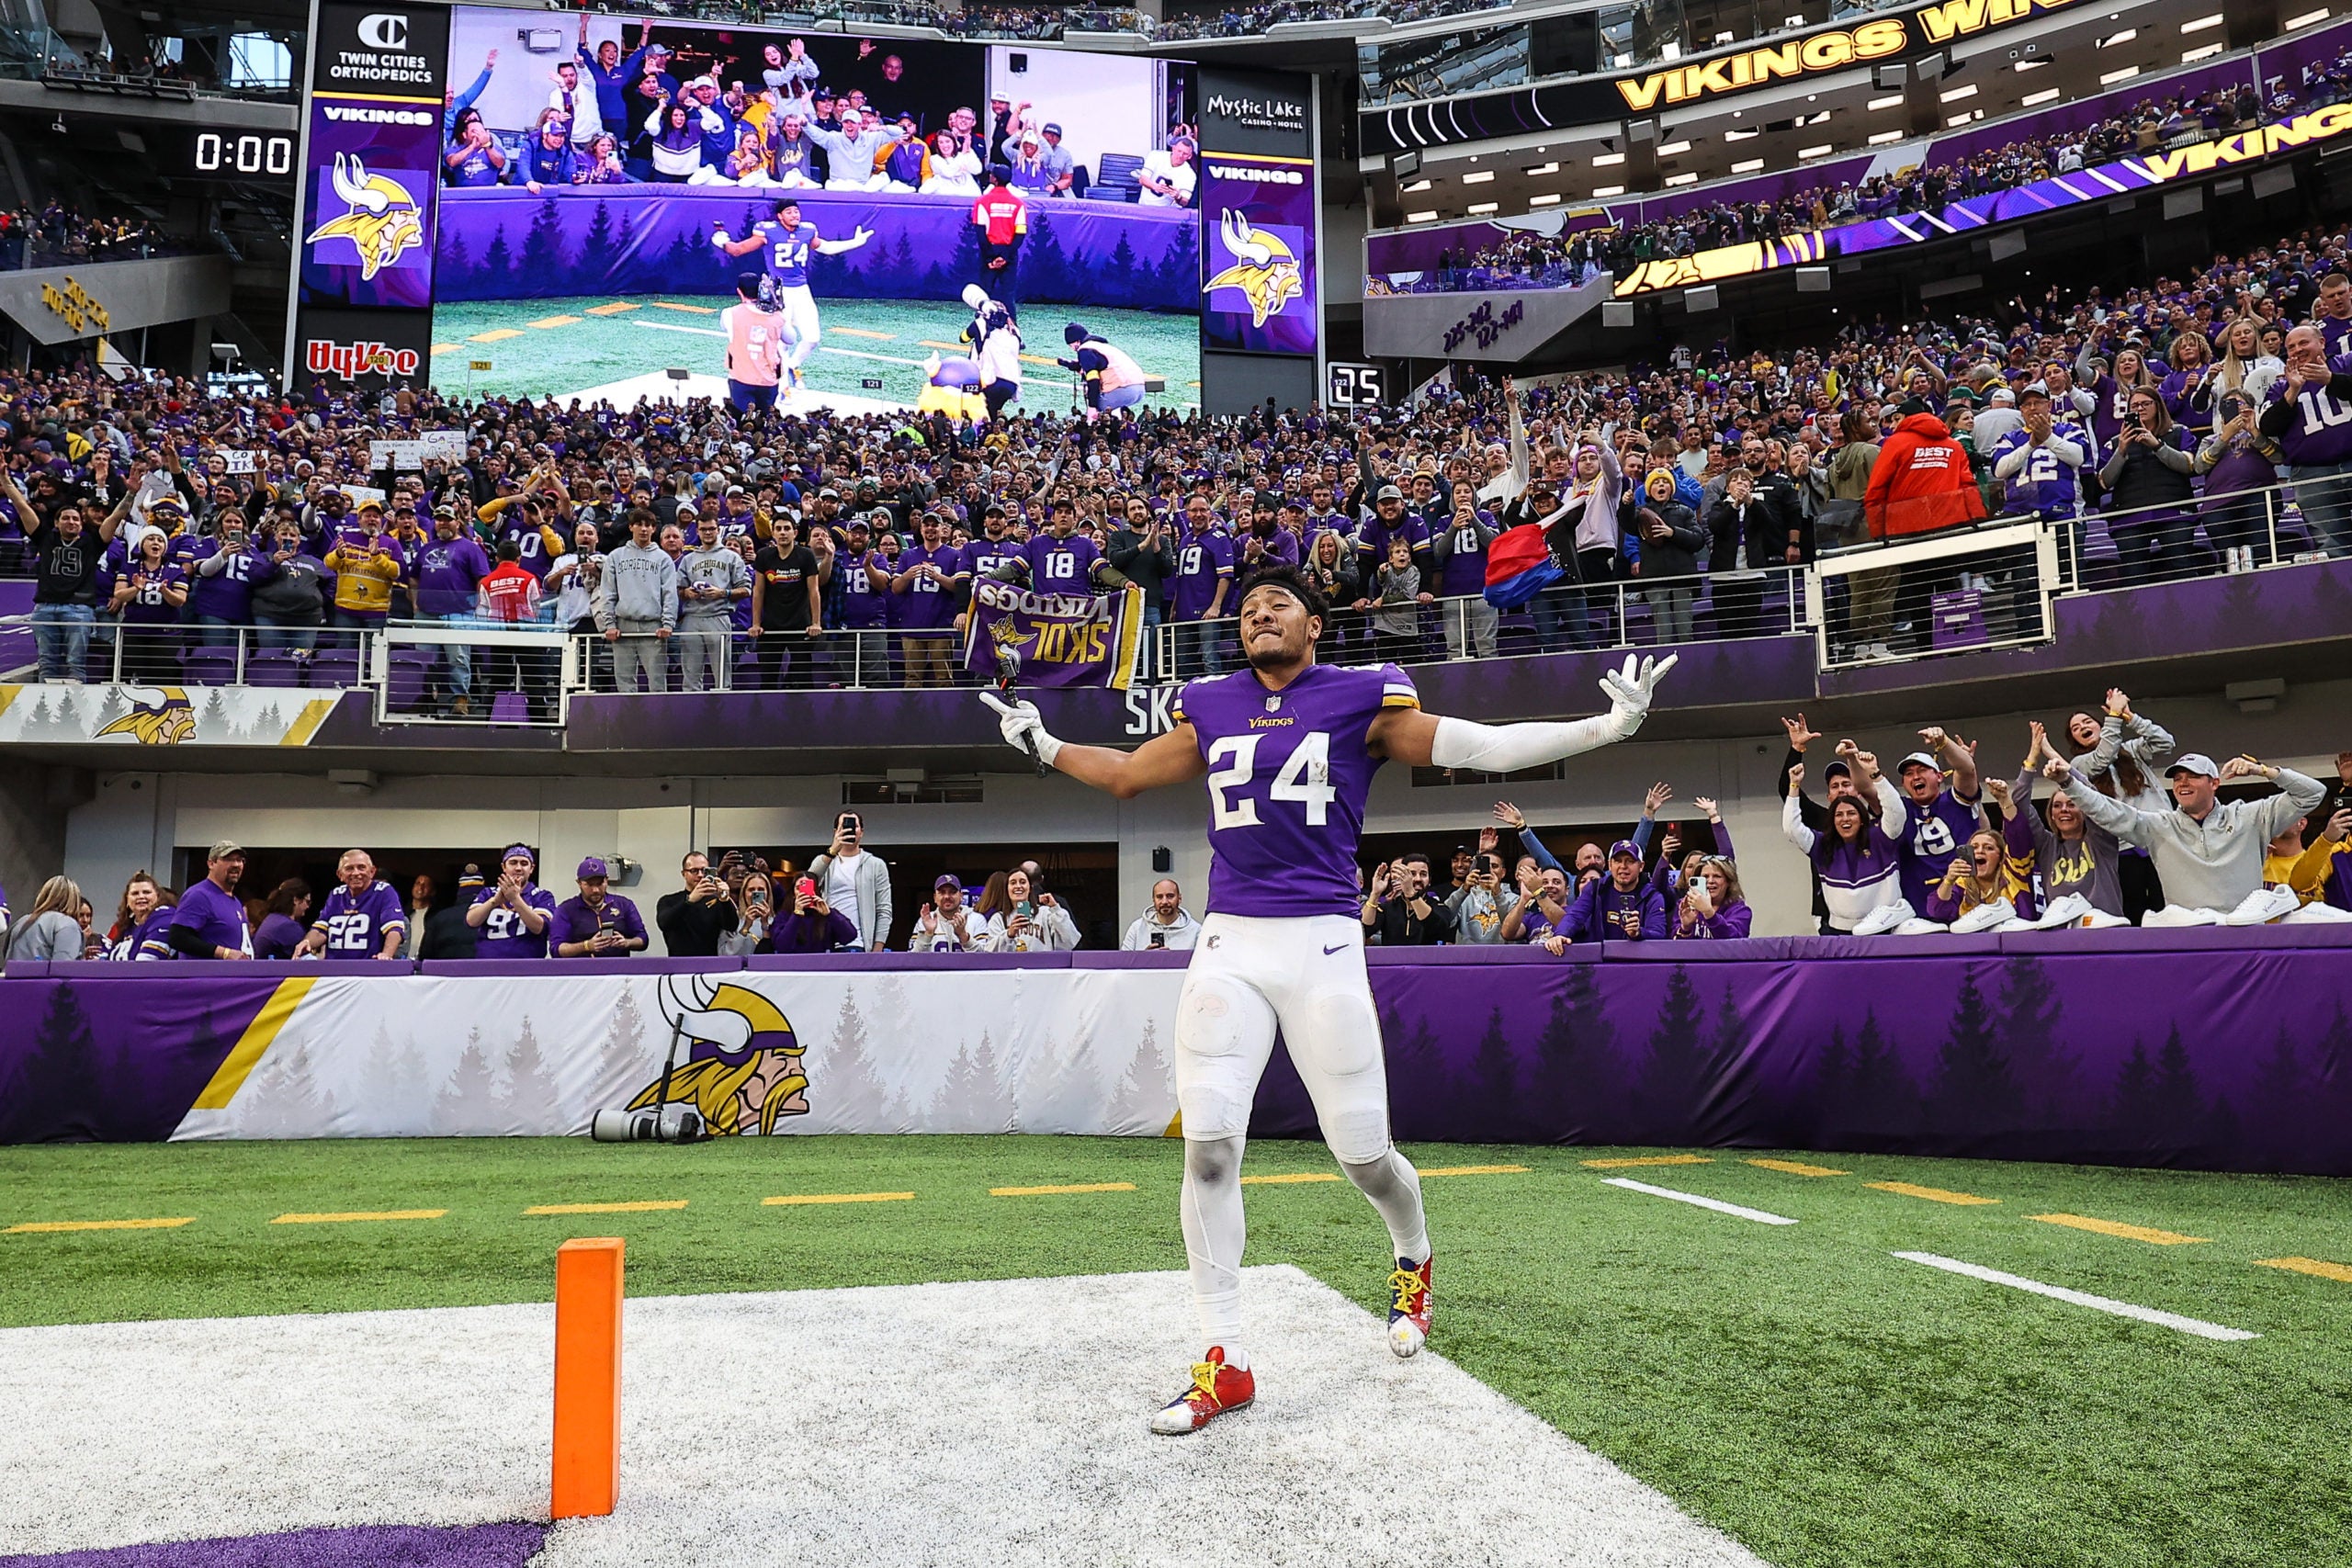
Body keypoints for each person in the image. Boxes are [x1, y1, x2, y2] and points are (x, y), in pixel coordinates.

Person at [979, 562, 1676, 1433]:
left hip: (1324, 941)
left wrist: (1608, 727)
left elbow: (1482, 747)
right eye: (1247, 607)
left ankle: (1413, 1252)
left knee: (1361, 1155)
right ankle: (1223, 1359)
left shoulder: (1360, 696)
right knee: (1208, 1147)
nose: (1259, 614)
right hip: (1231, 940)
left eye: (1279, 604)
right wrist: (1040, 743)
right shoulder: (1213, 699)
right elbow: (1125, 774)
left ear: (1316, 625)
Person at [2052, 751, 2327, 923]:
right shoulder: (2158, 825)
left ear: (2214, 783)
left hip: (2244, 934)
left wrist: (2263, 771)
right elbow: (2108, 810)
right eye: (2178, 778)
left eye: (2193, 776)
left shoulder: (2250, 816)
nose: (2183, 783)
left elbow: (2313, 792)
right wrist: (2068, 783)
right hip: (2187, 937)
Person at [712, 197, 873, 394]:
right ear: (780, 216)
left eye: (796, 211)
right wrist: (723, 243)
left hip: (802, 289)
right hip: (778, 292)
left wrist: (855, 243)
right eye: (789, 212)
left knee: (813, 338)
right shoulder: (768, 230)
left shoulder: (807, 230)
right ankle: (783, 387)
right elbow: (739, 250)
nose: (794, 215)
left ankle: (791, 366)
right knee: (782, 343)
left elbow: (827, 248)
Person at [1781, 747, 1908, 933]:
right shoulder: (1822, 843)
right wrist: (1793, 785)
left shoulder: (1880, 835)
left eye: (1851, 813)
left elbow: (1896, 812)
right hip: (1837, 930)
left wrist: (1876, 774)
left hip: (1887, 927)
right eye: (1839, 815)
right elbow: (1791, 829)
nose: (1845, 819)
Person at [597, 508, 677, 694]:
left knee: (657, 682)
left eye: (648, 525)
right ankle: (628, 722)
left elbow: (669, 594)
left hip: (654, 627)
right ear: (631, 527)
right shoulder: (616, 557)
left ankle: (658, 721)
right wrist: (609, 624)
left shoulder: (663, 559)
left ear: (654, 529)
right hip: (623, 626)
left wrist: (668, 624)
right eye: (639, 525)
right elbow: (608, 593)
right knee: (624, 682)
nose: (643, 529)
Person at [296, 849, 405, 960]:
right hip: (334, 970)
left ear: (372, 872)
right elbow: (321, 931)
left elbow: (394, 929)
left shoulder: (384, 892)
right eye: (349, 868)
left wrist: (386, 954)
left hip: (368, 969)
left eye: (361, 867)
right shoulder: (336, 895)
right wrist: (306, 942)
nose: (356, 873)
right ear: (340, 875)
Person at [808, 811, 891, 952]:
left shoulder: (876, 864)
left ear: (861, 832)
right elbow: (808, 882)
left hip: (858, 943)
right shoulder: (825, 861)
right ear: (836, 832)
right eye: (844, 826)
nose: (850, 831)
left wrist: (877, 948)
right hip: (826, 941)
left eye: (854, 826)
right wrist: (833, 850)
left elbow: (884, 910)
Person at [165, 840, 254, 959]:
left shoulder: (235, 901)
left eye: (240, 860)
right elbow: (177, 938)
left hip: (232, 975)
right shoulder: (199, 895)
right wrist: (224, 953)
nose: (236, 864)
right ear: (211, 864)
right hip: (206, 976)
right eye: (228, 859)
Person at [467, 844, 557, 957]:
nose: (518, 868)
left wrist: (515, 899)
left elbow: (539, 928)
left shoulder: (542, 896)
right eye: (513, 863)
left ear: (532, 868)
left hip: (528, 967)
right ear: (504, 867)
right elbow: (471, 921)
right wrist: (494, 901)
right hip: (488, 966)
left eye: (524, 863)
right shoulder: (488, 893)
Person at [719, 272, 790, 414]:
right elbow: (790, 338)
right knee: (764, 420)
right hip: (767, 379)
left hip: (740, 377)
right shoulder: (777, 316)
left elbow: (724, 326)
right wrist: (778, 309)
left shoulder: (729, 313)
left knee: (741, 420)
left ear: (739, 291)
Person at [550, 857, 650, 957]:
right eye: (589, 885)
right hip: (580, 970)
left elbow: (643, 939)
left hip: (618, 969)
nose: (595, 890)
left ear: (607, 880)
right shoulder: (565, 910)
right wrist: (586, 946)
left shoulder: (624, 904)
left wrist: (627, 943)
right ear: (579, 883)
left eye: (600, 884)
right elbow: (556, 949)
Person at [656, 850, 740, 956]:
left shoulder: (715, 901)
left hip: (709, 963)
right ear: (684, 874)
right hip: (678, 964)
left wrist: (725, 900)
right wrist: (689, 900)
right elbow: (664, 923)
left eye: (704, 871)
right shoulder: (669, 901)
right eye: (694, 871)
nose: (700, 875)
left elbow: (731, 926)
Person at [1359, 852, 1453, 945]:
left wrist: (1411, 895)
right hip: (1393, 960)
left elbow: (1440, 930)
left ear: (1429, 881)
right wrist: (1375, 894)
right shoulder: (1388, 908)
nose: (1418, 879)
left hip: (1427, 959)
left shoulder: (1438, 906)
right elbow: (1365, 931)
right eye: (1412, 874)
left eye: (1423, 874)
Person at [978, 866, 1079, 953]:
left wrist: (1055, 908)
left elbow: (1069, 941)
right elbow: (990, 952)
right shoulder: (998, 918)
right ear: (1007, 889)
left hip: (1041, 970)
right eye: (1013, 883)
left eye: (1023, 882)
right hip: (1011, 972)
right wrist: (1009, 934)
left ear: (1030, 888)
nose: (1018, 886)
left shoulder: (1045, 913)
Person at [971, 164, 1028, 307]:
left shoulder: (982, 201)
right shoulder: (1018, 203)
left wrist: (991, 258)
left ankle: (983, 326)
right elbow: (1020, 233)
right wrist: (1005, 256)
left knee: (985, 294)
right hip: (1009, 252)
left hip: (989, 251)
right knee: (1008, 295)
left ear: (994, 179)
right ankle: (1013, 327)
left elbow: (980, 232)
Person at [6, 876, 85, 961]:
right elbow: (64, 968)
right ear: (74, 900)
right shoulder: (68, 925)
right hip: (42, 974)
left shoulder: (21, 922)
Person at [1673, 856, 1751, 940]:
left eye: (1717, 876)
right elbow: (1676, 948)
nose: (1710, 881)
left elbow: (1734, 942)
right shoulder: (1685, 906)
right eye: (1705, 876)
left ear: (1729, 882)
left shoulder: (1740, 910)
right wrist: (1686, 928)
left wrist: (1709, 913)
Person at [106, 872, 175, 961]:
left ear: (158, 896)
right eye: (135, 893)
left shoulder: (165, 917)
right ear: (127, 900)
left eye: (146, 892)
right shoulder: (122, 928)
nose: (141, 896)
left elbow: (147, 962)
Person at [910, 873, 985, 953]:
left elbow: (985, 958)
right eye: (942, 892)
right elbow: (911, 959)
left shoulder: (977, 919)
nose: (947, 896)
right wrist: (928, 934)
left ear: (961, 896)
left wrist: (963, 935)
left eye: (952, 892)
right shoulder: (925, 921)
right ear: (935, 897)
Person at [419, 867, 484, 959]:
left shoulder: (438, 918)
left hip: (445, 971)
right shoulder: (494, 916)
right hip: (485, 971)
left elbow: (425, 955)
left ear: (459, 892)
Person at [1121, 878, 1202, 951]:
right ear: (1153, 900)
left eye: (1170, 896)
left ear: (1179, 898)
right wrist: (1144, 958)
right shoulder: (1137, 928)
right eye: (1159, 897)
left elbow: (1202, 963)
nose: (1164, 902)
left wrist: (1173, 959)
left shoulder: (1195, 930)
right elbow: (1123, 962)